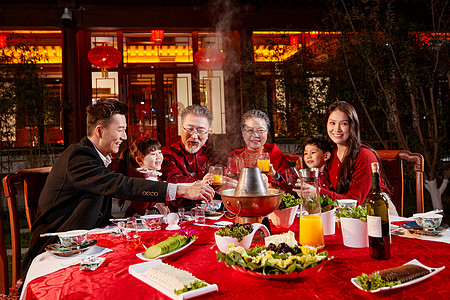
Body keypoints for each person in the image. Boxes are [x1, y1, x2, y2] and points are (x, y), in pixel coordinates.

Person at [22, 99, 214, 278]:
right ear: (100, 131)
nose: (124, 137)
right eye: (121, 130)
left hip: (85, 246)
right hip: (56, 254)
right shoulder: (78, 157)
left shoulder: (95, 158)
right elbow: (120, 185)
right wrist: (183, 190)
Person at [299, 101, 398, 215]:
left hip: (377, 214)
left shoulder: (365, 156)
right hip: (349, 215)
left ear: (352, 126)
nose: (337, 129)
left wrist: (318, 192)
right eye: (332, 123)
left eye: (344, 124)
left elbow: (355, 201)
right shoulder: (331, 155)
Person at [160, 104, 236, 211]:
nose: (194, 136)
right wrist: (200, 183)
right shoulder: (166, 154)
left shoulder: (213, 156)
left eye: (200, 130)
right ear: (181, 128)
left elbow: (230, 177)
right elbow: (173, 179)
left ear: (208, 133)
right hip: (176, 217)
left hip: (211, 217)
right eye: (190, 129)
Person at [228, 109, 291, 191]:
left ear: (267, 132)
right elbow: (228, 188)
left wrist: (272, 180)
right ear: (243, 131)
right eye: (250, 130)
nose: (255, 135)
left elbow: (290, 186)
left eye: (260, 130)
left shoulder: (274, 154)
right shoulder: (235, 157)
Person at [120, 136, 167, 217]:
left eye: (160, 152)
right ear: (139, 160)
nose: (159, 157)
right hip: (140, 217)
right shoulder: (143, 178)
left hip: (152, 216)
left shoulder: (154, 175)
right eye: (153, 154)